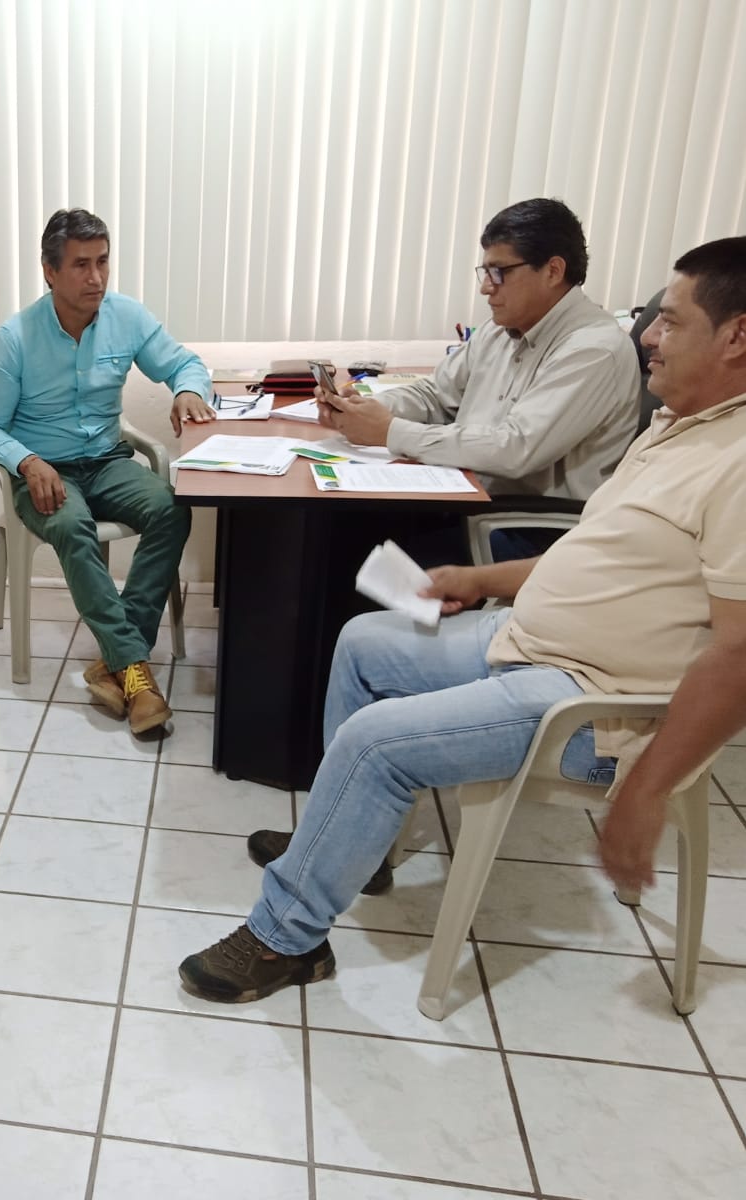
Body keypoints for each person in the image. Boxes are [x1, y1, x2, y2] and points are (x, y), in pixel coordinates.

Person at [178, 237, 746, 1004]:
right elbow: (593, 555)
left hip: (590, 704)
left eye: (670, 321)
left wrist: (646, 790)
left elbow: (737, 656)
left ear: (736, 335)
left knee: (373, 742)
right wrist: (479, 579)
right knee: (362, 641)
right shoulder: (677, 428)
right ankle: (348, 843)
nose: (646, 334)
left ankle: (286, 937)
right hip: (527, 640)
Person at [0, 208, 212, 735]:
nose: (96, 277)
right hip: (44, 471)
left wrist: (188, 389)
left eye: (102, 262)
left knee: (172, 508)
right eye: (81, 265)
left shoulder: (127, 316)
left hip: (106, 461)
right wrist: (26, 461)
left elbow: (184, 363)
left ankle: (117, 662)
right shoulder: (13, 338)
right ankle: (136, 675)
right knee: (72, 525)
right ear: (50, 271)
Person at [317, 198, 639, 560]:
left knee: (364, 551)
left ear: (553, 271)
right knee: (342, 527)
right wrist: (363, 409)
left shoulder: (594, 349)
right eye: (484, 272)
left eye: (499, 272)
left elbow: (515, 448)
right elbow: (437, 394)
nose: (486, 288)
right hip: (469, 496)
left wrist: (390, 431)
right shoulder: (500, 328)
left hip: (531, 532)